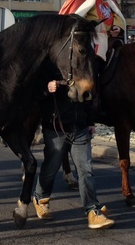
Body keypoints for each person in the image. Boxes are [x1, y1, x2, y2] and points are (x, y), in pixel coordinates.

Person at [32, 65, 115, 230]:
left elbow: (87, 96)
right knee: (51, 167)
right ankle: (40, 198)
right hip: (56, 128)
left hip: (80, 128)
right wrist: (47, 89)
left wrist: (90, 121)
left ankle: (92, 210)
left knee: (85, 169)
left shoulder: (80, 66)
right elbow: (34, 94)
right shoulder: (47, 66)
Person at [60, 0, 125, 90]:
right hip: (90, 41)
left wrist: (117, 27)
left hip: (110, 39)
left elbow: (118, 14)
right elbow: (71, 18)